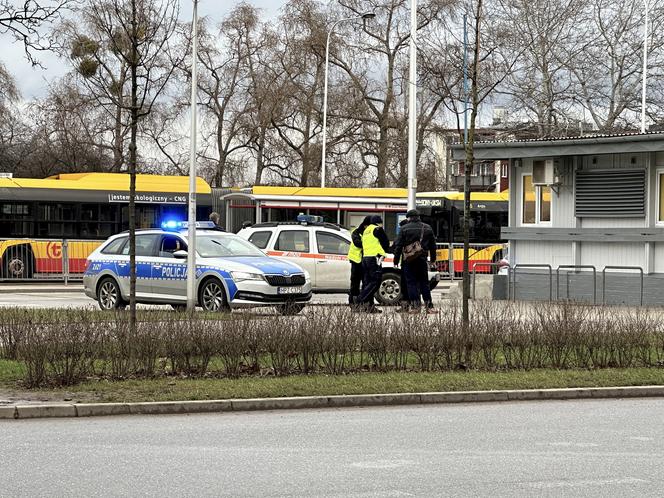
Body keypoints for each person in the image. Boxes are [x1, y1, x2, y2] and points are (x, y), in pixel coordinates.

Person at [393, 209, 437, 313]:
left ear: (408, 218)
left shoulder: (404, 228)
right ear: (418, 217)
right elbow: (433, 246)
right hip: (422, 259)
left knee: (411, 283)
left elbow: (398, 246)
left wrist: (396, 260)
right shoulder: (427, 227)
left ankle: (415, 306)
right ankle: (429, 306)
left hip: (408, 260)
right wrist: (433, 260)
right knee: (424, 283)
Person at [356, 215, 390, 312]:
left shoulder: (366, 231)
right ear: (379, 222)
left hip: (365, 258)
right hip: (375, 258)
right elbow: (385, 242)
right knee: (375, 281)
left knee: (367, 282)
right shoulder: (378, 229)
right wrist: (385, 251)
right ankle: (360, 299)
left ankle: (369, 307)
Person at [347, 216, 371, 306]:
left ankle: (365, 304)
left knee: (366, 283)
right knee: (355, 284)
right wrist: (369, 243)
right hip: (356, 262)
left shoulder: (369, 232)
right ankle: (353, 303)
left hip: (366, 261)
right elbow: (357, 243)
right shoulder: (356, 232)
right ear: (365, 225)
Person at [390, 218, 411, 312]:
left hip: (406, 262)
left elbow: (396, 248)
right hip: (418, 262)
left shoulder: (402, 234)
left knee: (405, 284)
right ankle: (415, 305)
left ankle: (405, 306)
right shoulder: (415, 234)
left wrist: (395, 261)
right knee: (414, 284)